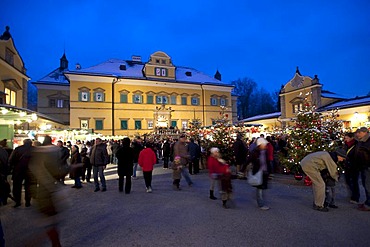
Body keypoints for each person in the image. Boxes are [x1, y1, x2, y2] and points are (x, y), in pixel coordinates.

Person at [28, 135, 65, 246]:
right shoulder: (52, 154)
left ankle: (55, 242)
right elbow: (58, 172)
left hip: (41, 191)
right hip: (47, 192)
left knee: (48, 221)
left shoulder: (36, 155)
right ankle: (55, 243)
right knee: (50, 221)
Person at [245, 138, 271, 210]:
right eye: (264, 144)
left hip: (264, 172)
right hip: (258, 172)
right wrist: (242, 170)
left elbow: (267, 162)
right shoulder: (255, 152)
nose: (265, 145)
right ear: (260, 145)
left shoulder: (265, 152)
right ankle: (261, 204)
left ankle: (258, 197)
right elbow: (248, 161)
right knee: (260, 189)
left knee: (262, 188)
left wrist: (270, 171)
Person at [8, 138, 33, 208]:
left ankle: (17, 201)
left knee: (17, 186)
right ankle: (28, 202)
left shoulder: (18, 149)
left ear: (23, 143)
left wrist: (11, 168)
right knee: (28, 186)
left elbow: (11, 160)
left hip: (18, 170)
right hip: (30, 171)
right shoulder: (35, 150)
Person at [354, 127, 370, 211]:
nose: (357, 134)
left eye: (359, 133)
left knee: (368, 185)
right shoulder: (361, 141)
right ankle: (367, 201)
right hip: (363, 166)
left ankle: (368, 204)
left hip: (367, 166)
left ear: (364, 132)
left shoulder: (367, 142)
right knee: (365, 184)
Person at [343, 132, 360, 204]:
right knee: (348, 181)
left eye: (346, 138)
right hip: (347, 165)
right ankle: (352, 195)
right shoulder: (346, 145)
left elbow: (357, 156)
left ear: (351, 138)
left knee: (354, 181)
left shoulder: (356, 145)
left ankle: (355, 197)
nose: (345, 140)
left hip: (354, 166)